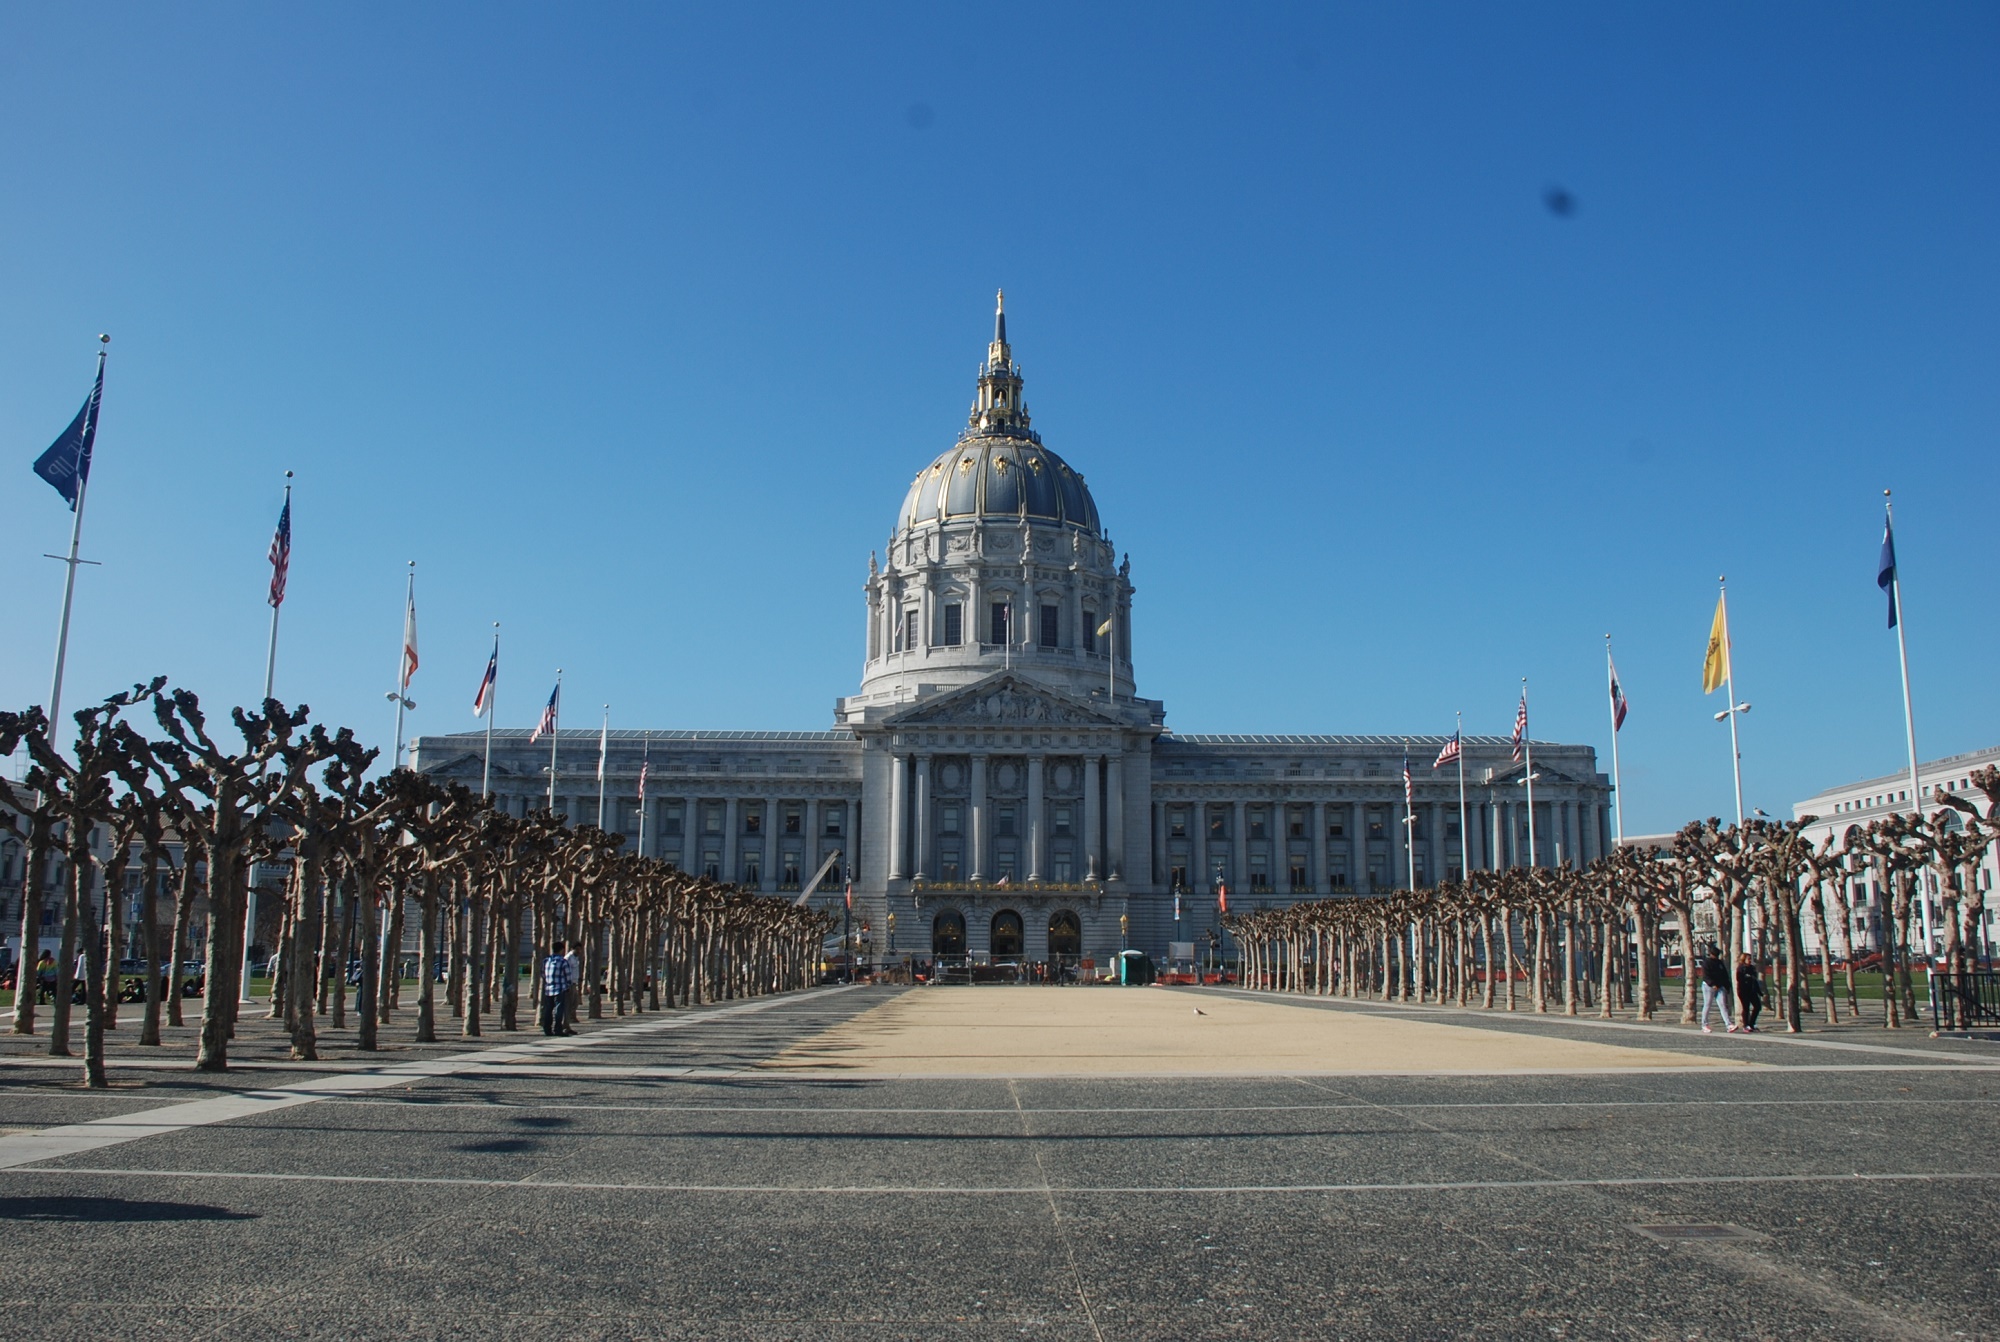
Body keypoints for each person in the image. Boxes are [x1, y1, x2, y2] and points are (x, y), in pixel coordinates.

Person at [1699, 946, 1738, 1034]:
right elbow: (1706, 975)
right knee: (1707, 1005)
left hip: (1720, 986)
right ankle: (1704, 1024)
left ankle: (1728, 1024)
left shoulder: (1720, 963)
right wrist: (1712, 984)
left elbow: (1724, 974)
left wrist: (1727, 986)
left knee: (1723, 1005)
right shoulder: (1707, 963)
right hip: (1708, 986)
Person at [539, 941, 572, 1037]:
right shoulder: (563, 961)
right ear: (561, 950)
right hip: (560, 988)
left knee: (548, 1009)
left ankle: (547, 1029)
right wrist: (568, 985)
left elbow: (542, 973)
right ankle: (558, 1029)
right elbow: (568, 976)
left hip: (548, 989)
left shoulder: (546, 961)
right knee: (559, 1010)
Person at [1736, 954, 1766, 1033]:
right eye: (1748, 959)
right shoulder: (1741, 968)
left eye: (1750, 959)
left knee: (1757, 1006)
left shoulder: (1752, 968)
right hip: (1743, 991)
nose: (1750, 960)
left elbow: (1755, 981)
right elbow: (1739, 979)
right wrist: (1746, 977)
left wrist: (1759, 992)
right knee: (1746, 1008)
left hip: (1752, 991)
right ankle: (1746, 1025)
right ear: (1744, 959)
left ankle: (1752, 1023)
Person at [563, 942, 583, 1031]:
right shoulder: (568, 958)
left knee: (575, 1002)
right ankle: (565, 1023)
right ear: (572, 949)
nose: (579, 951)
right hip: (569, 983)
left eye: (580, 949)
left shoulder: (575, 958)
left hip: (574, 983)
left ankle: (568, 1020)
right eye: (577, 949)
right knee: (569, 1003)